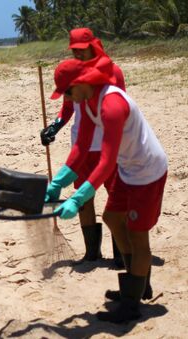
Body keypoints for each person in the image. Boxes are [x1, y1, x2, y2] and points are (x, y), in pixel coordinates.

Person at [46, 58, 167, 323]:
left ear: (80, 84)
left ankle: (132, 304)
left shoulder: (111, 104)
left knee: (138, 235)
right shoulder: (88, 101)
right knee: (113, 218)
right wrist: (59, 181)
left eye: (67, 92)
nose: (66, 98)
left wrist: (78, 198)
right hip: (128, 168)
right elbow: (81, 146)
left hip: (146, 171)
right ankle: (136, 283)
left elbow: (107, 160)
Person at [40, 28, 126, 267]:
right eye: (74, 51)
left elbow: (120, 107)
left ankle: (121, 253)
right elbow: (67, 108)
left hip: (109, 145)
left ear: (93, 46)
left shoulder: (113, 72)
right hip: (82, 144)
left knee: (115, 198)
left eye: (81, 50)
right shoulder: (72, 74)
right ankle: (91, 253)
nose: (78, 55)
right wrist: (54, 127)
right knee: (84, 198)